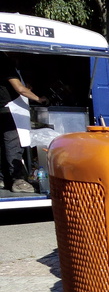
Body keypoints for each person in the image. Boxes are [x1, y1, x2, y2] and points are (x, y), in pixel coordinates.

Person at [0, 52, 49, 193]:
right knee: (13, 145)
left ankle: (3, 179)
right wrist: (39, 99)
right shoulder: (4, 61)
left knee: (3, 146)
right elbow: (20, 89)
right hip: (10, 110)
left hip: (3, 108)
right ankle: (18, 181)